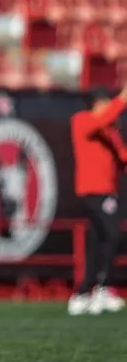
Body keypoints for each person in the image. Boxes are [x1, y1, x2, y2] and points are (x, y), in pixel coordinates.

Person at [67, 87, 127, 316]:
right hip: (93, 191)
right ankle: (102, 288)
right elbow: (105, 116)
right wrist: (122, 100)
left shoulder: (109, 130)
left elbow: (122, 157)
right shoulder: (81, 121)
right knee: (113, 234)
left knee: (98, 241)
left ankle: (83, 294)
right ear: (96, 104)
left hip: (108, 192)